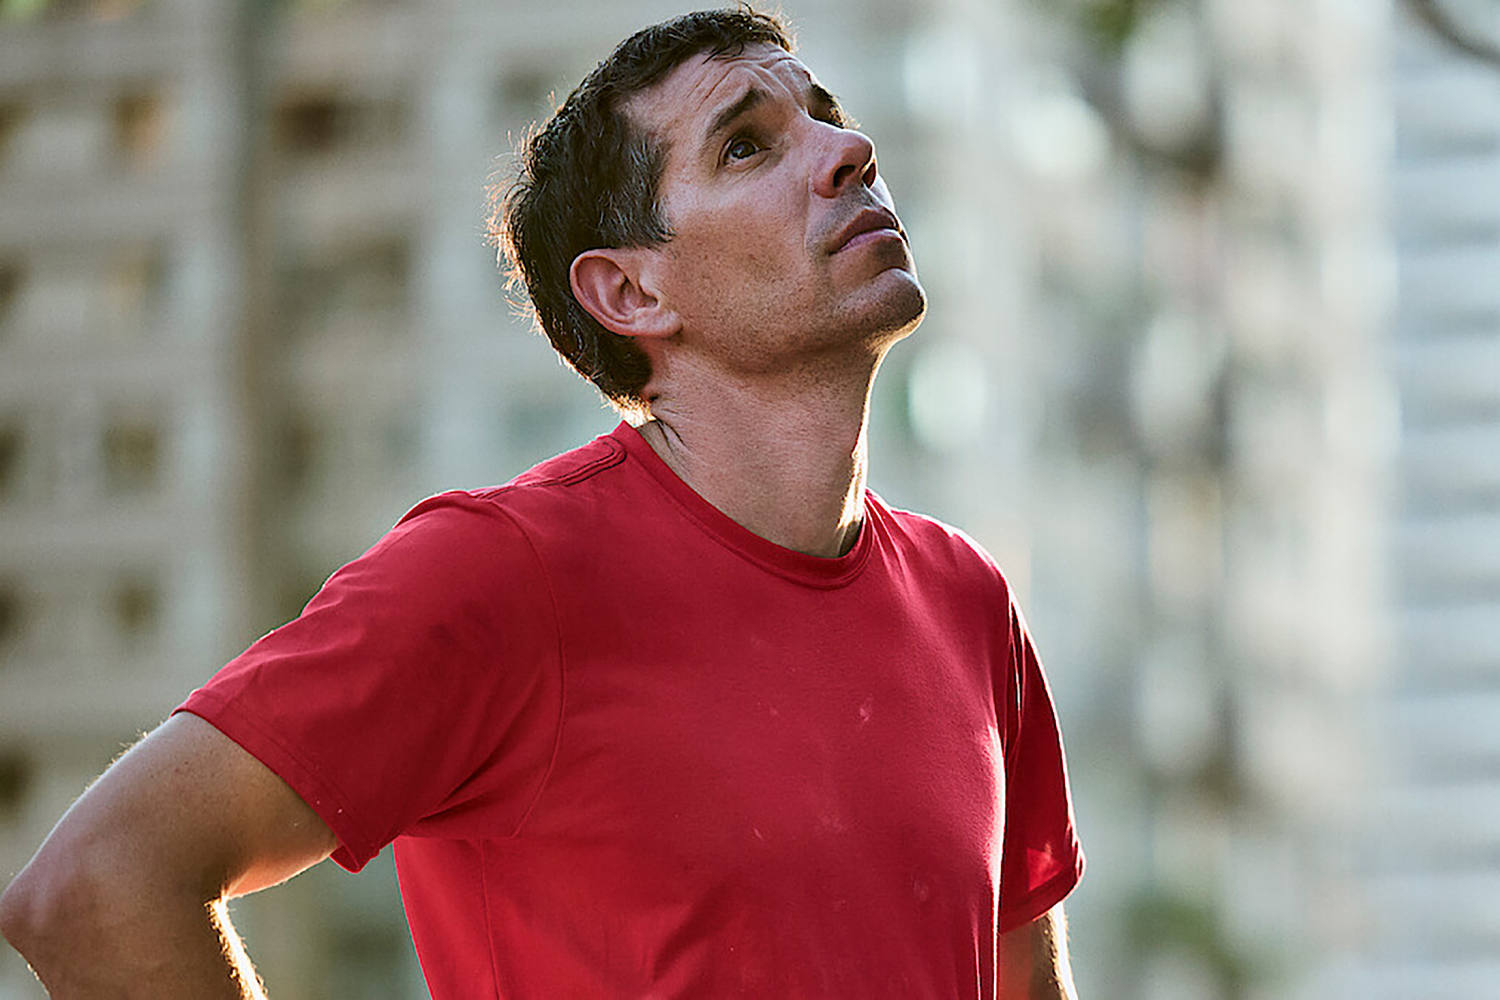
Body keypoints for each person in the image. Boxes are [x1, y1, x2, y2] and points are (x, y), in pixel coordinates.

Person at [0, 7, 1084, 998]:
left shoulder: (970, 602)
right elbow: (96, 889)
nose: (849, 152)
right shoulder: (502, 573)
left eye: (827, 116)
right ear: (632, 291)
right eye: (748, 143)